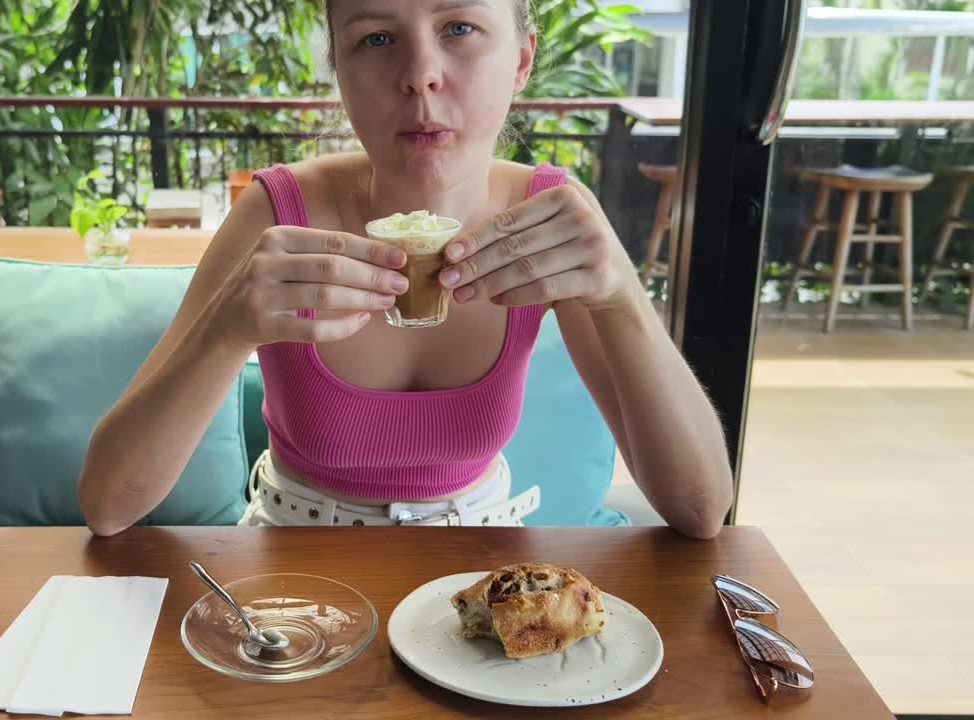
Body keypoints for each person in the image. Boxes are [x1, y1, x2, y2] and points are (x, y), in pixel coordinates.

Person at [78, 0, 734, 539]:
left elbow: (702, 511)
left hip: (481, 577)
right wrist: (225, 331)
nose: (420, 74)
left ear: (522, 59)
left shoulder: (550, 214)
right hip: (295, 577)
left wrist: (622, 296)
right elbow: (109, 505)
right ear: (339, 68)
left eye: (459, 29)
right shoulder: (279, 214)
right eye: (377, 38)